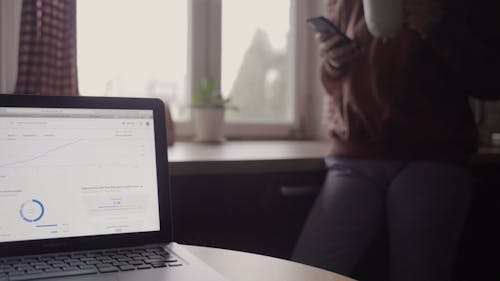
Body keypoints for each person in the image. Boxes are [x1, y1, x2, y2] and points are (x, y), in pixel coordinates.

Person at [291, 0, 493, 280]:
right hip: (355, 155)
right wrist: (333, 63)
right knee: (305, 272)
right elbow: (334, 83)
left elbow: (491, 79)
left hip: (432, 154)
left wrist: (437, 27)